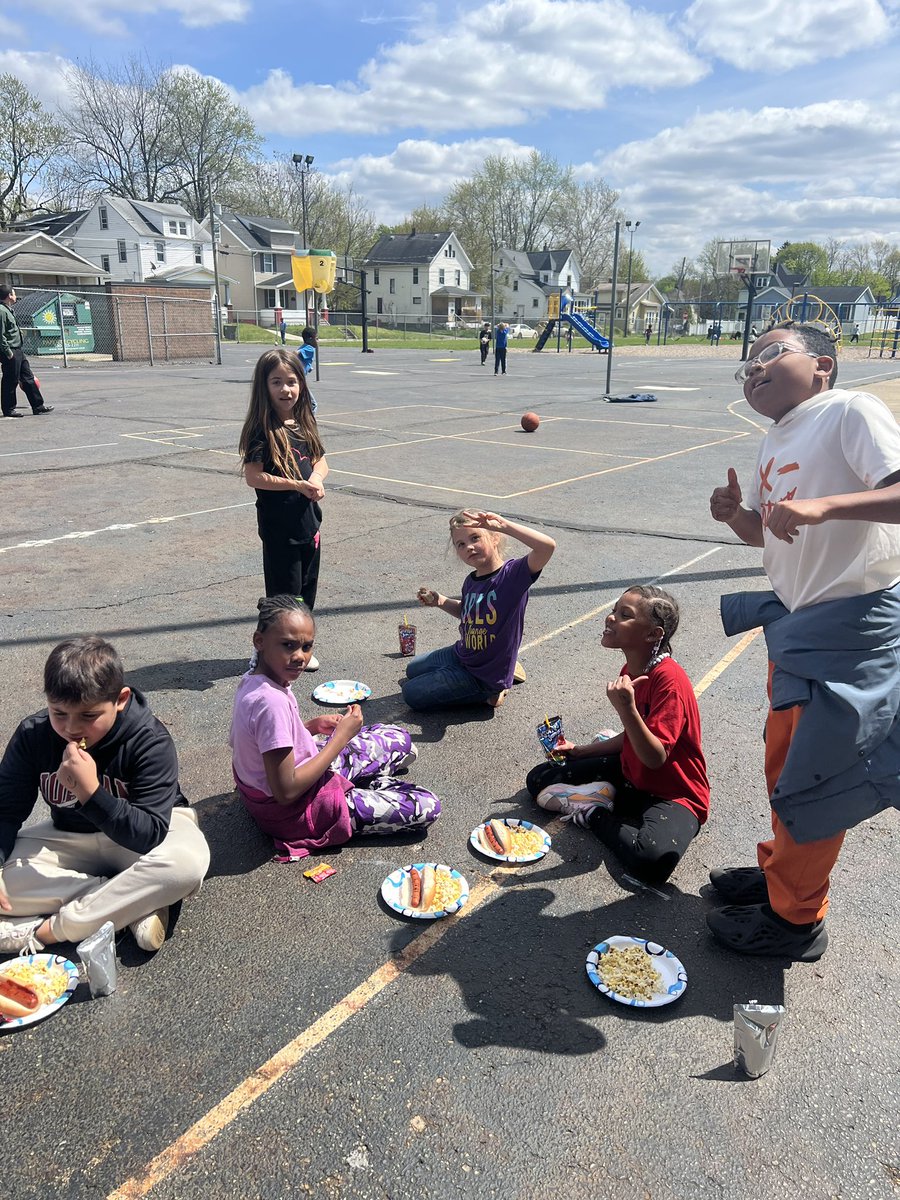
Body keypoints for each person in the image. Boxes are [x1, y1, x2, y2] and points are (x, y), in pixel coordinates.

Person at [707, 321, 900, 960]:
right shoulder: (775, 438)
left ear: (822, 364)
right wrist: (738, 516)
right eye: (747, 364)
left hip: (849, 628)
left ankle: (796, 919)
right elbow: (768, 533)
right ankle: (780, 875)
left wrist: (824, 506)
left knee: (816, 778)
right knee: (785, 764)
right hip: (800, 626)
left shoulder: (849, 409)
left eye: (771, 353)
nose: (754, 368)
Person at [0, 636, 210, 955]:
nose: (71, 728)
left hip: (152, 836)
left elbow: (149, 834)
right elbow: (6, 810)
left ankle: (49, 930)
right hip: (70, 837)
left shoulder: (149, 739)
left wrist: (90, 793)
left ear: (120, 699)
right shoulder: (34, 735)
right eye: (59, 713)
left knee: (186, 865)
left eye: (88, 716)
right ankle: (134, 903)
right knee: (7, 880)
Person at [231, 596, 440, 861]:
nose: (300, 657)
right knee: (428, 805)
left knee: (399, 738)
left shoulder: (257, 680)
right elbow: (286, 792)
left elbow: (266, 741)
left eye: (307, 647)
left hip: (298, 774)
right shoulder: (270, 701)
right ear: (259, 641)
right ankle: (363, 786)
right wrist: (340, 739)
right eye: (288, 645)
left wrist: (310, 727)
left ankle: (363, 780)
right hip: (298, 810)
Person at [525, 586, 709, 885]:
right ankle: (605, 790)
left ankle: (594, 811)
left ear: (653, 634)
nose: (610, 618)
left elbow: (654, 758)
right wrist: (581, 750)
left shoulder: (670, 681)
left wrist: (627, 709)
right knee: (539, 778)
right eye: (614, 610)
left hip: (673, 791)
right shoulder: (633, 667)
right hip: (631, 773)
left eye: (625, 615)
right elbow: (634, 736)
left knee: (651, 862)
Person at [401, 509, 556, 710]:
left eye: (475, 538)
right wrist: (440, 601)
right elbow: (467, 613)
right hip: (463, 654)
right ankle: (505, 668)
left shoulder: (513, 575)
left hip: (483, 676)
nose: (469, 547)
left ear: (494, 538)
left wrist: (504, 525)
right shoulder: (471, 580)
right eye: (461, 544)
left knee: (411, 693)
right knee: (412, 669)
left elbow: (546, 547)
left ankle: (492, 693)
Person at [239, 348, 326, 669]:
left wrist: (316, 478)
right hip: (280, 531)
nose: (285, 389)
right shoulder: (261, 429)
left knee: (305, 593)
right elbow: (254, 476)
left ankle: (298, 649)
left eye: (291, 381)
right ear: (264, 386)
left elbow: (321, 461)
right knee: (282, 598)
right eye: (276, 382)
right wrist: (296, 484)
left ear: (301, 384)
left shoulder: (303, 423)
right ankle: (266, 650)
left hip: (309, 526)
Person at [0, 285, 54, 417]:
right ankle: (9, 409)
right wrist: (8, 352)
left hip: (18, 350)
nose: (15, 296)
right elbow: (0, 335)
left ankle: (38, 406)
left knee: (28, 377)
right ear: (9, 295)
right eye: (14, 293)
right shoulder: (1, 311)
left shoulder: (8, 309)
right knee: (10, 380)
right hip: (10, 350)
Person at [297, 326, 319, 413]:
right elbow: (296, 353)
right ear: (310, 339)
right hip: (300, 380)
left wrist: (308, 368)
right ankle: (309, 421)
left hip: (299, 379)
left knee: (300, 402)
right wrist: (288, 356)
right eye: (316, 338)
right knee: (313, 405)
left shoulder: (303, 346)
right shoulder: (309, 348)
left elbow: (301, 359)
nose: (318, 341)